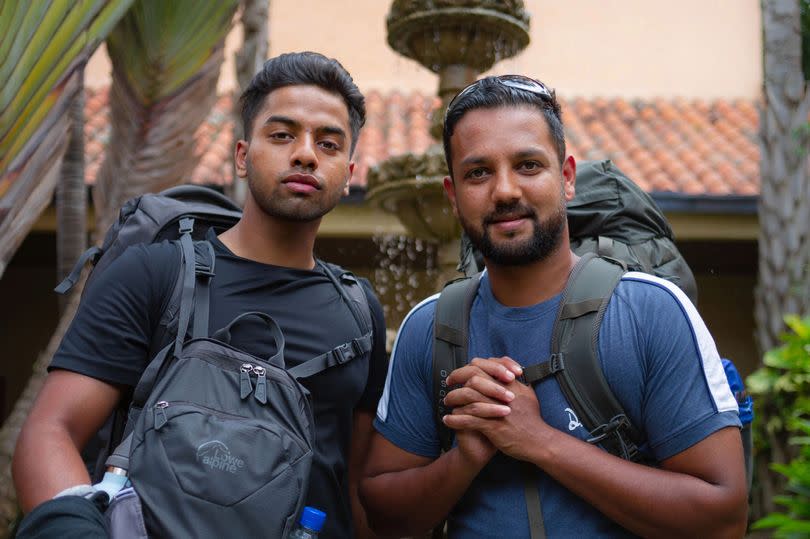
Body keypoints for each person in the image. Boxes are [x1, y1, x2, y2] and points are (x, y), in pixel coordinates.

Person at [13, 51, 388, 539]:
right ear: (241, 155)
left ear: (349, 172)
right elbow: (50, 432)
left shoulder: (359, 311)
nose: (305, 154)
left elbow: (354, 486)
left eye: (329, 143)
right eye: (282, 135)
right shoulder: (155, 273)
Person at [359, 75, 748, 538]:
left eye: (527, 165)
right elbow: (382, 518)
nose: (504, 191)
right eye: (478, 172)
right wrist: (464, 458)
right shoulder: (430, 328)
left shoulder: (651, 312)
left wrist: (539, 441)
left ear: (565, 177)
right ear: (453, 195)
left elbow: (723, 520)